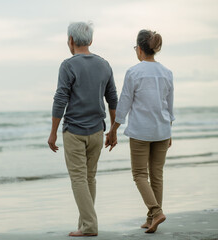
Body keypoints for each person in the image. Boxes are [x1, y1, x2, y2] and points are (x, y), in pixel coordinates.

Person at [48, 22, 118, 237]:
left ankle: (89, 226)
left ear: (70, 41)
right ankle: (84, 224)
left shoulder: (68, 65)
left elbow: (60, 100)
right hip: (97, 131)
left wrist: (52, 133)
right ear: (90, 40)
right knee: (89, 178)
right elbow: (112, 98)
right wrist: (113, 130)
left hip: (75, 131)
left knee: (79, 178)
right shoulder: (104, 64)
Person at [106, 29, 175, 233]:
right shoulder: (167, 73)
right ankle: (151, 218)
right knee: (157, 175)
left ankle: (156, 211)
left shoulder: (134, 72)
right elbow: (169, 107)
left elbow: (125, 103)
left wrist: (113, 130)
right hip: (162, 131)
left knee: (139, 174)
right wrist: (169, 132)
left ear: (139, 49)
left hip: (140, 132)